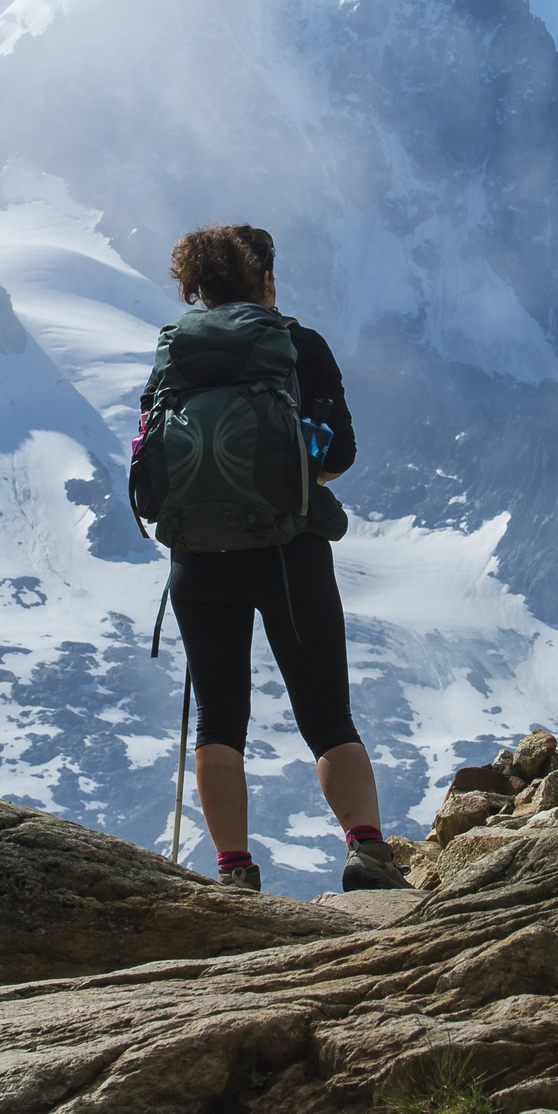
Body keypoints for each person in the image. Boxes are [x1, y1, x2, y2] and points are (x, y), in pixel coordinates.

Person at [144, 224, 405, 894]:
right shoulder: (299, 345)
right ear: (265, 277)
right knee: (326, 717)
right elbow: (336, 451)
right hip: (289, 551)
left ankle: (234, 872)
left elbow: (152, 455)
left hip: (196, 559)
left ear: (196, 287)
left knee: (219, 720)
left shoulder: (175, 353)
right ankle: (368, 854)